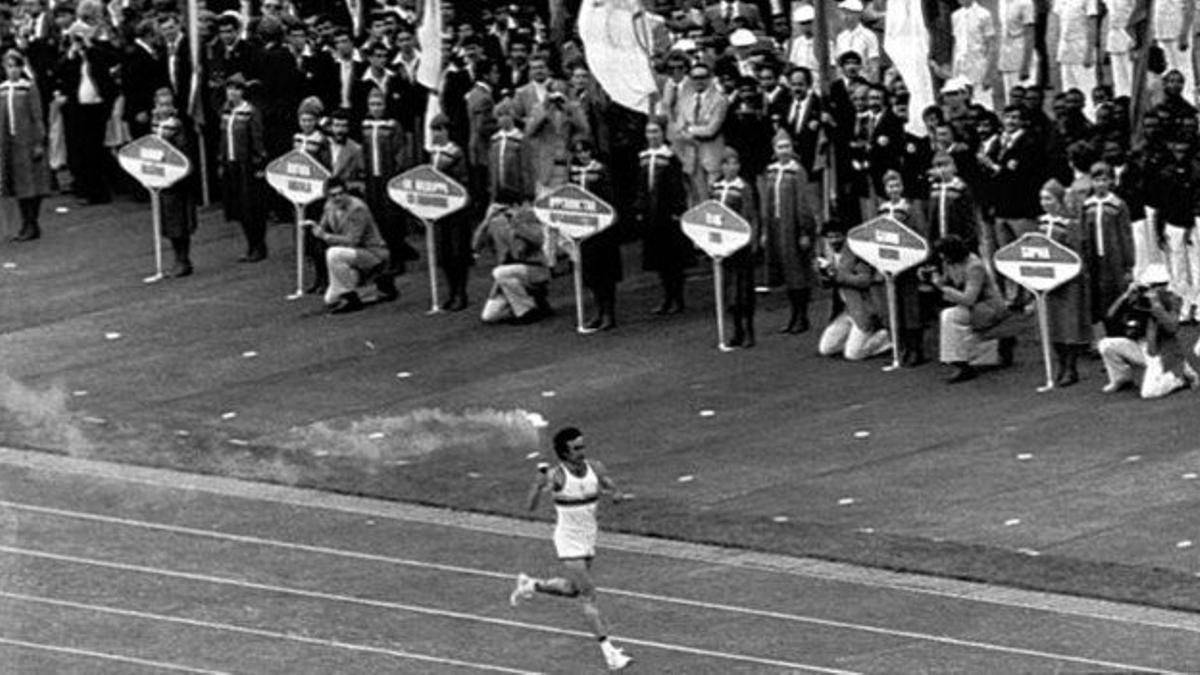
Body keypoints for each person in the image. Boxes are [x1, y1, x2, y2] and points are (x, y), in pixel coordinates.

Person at [510, 427, 633, 672]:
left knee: (572, 589)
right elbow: (530, 507)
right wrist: (536, 486)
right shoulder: (557, 476)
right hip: (568, 541)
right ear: (564, 452)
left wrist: (617, 495)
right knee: (589, 595)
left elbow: (611, 487)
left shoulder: (595, 468)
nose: (582, 451)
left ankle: (531, 585)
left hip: (588, 539)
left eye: (582, 446)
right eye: (576, 448)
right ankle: (609, 652)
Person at [1098, 264, 1199, 397]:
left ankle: (1179, 379)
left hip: (1162, 351)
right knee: (1106, 344)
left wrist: (1157, 306)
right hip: (1140, 346)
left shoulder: (1173, 299)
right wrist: (1125, 296)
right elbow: (1110, 317)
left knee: (1149, 393)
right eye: (1152, 286)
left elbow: (1172, 327)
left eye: (1160, 285)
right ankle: (1121, 378)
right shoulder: (1138, 299)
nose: (1155, 290)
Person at [930, 234, 1021, 382]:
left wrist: (942, 288)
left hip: (988, 306)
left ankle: (960, 363)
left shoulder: (974, 266)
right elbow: (948, 281)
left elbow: (969, 299)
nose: (941, 257)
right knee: (951, 317)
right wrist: (933, 277)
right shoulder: (949, 262)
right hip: (972, 306)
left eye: (943, 254)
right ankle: (996, 346)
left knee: (949, 316)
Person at [303, 177, 395, 314]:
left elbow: (353, 241)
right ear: (328, 196)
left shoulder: (357, 209)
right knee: (330, 300)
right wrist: (312, 227)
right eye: (334, 195)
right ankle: (372, 289)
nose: (338, 198)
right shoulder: (329, 206)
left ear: (347, 192)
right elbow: (323, 227)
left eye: (341, 193)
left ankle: (350, 298)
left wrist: (325, 236)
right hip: (351, 255)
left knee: (334, 254)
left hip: (372, 253)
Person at [759, 131, 818, 334]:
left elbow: (803, 203)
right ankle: (793, 314)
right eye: (779, 147)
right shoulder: (772, 171)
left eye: (787, 146)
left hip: (792, 226)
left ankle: (802, 315)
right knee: (784, 269)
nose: (783, 151)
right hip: (776, 225)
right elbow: (766, 202)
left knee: (797, 270)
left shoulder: (797, 171)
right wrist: (765, 230)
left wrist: (803, 231)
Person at [635, 115, 691, 315]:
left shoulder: (670, 158)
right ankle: (666, 297)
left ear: (663, 133)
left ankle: (678, 298)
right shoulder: (643, 157)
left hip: (668, 213)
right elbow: (641, 187)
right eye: (649, 132)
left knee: (673, 259)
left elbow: (678, 188)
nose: (652, 136)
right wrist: (640, 209)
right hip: (652, 214)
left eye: (656, 132)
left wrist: (677, 210)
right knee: (659, 259)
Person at [1038, 179, 1090, 386]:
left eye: (1049, 198)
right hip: (1048, 283)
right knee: (1052, 325)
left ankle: (1071, 367)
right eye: (1042, 198)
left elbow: (1076, 254)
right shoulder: (1041, 223)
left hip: (1068, 283)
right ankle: (1059, 364)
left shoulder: (1071, 224)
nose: (1045, 202)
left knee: (1068, 326)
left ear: (1059, 200)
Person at [817, 218, 892, 360]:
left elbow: (865, 280)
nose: (834, 241)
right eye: (830, 237)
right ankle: (855, 337)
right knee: (826, 348)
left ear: (845, 236)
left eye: (837, 236)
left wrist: (838, 276)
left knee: (853, 354)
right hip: (845, 310)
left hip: (862, 308)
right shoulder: (827, 254)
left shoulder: (856, 253)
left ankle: (886, 338)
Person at [471, 191, 549, 324]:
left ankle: (526, 312)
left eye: (506, 209)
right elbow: (475, 246)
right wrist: (486, 220)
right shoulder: (495, 223)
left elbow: (540, 240)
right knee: (489, 316)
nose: (503, 214)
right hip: (507, 275)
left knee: (500, 273)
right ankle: (532, 302)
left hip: (535, 269)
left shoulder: (529, 217)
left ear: (515, 206)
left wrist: (517, 223)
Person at [0, 50, 51, 243]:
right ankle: (25, 222)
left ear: (22, 68)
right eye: (9, 66)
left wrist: (39, 140)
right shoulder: (3, 89)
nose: (12, 71)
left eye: (16, 66)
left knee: (31, 182)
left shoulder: (28, 87)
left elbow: (37, 116)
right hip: (9, 143)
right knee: (18, 184)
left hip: (27, 141)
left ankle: (32, 222)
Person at [570, 140, 621, 332]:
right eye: (578, 152)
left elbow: (609, 198)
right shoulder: (574, 173)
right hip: (583, 230)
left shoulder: (601, 171)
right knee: (589, 273)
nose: (582, 155)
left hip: (602, 229)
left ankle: (609, 312)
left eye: (585, 151)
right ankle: (597, 310)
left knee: (605, 272)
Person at [218, 73, 268, 262]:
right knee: (238, 207)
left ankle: (259, 245)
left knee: (252, 207)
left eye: (236, 88)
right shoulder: (225, 111)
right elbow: (222, 139)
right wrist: (221, 161)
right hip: (231, 163)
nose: (232, 92)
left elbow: (257, 139)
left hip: (247, 165)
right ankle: (250, 244)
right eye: (229, 88)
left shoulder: (250, 112)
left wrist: (259, 163)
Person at [711, 148, 758, 347]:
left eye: (735, 163)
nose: (731, 167)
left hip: (740, 244)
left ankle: (748, 330)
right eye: (727, 163)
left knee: (744, 289)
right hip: (723, 245)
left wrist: (751, 239)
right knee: (729, 289)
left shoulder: (743, 188)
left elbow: (750, 215)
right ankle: (736, 329)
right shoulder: (716, 187)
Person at [427, 114, 473, 311]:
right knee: (444, 253)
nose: (436, 134)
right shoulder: (434, 153)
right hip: (441, 209)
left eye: (440, 129)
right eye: (434, 130)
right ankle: (451, 291)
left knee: (457, 252)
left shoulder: (454, 152)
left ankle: (460, 293)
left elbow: (458, 179)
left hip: (457, 209)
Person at [152, 88, 197, 278]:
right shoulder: (156, 125)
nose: (164, 109)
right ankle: (177, 257)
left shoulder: (175, 126)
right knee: (168, 220)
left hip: (177, 179)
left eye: (168, 105)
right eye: (161, 105)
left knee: (178, 220)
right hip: (162, 179)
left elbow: (181, 151)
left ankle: (183, 259)